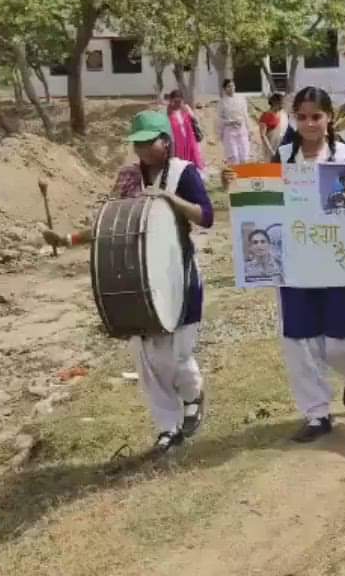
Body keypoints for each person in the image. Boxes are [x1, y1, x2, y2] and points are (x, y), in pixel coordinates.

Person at [42, 111, 212, 454]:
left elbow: (206, 216)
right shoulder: (128, 178)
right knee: (148, 359)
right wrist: (68, 238)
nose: (143, 148)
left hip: (178, 274)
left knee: (176, 356)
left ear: (166, 141)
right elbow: (113, 224)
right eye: (138, 142)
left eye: (149, 141)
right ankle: (168, 429)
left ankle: (193, 397)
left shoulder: (183, 173)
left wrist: (170, 200)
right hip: (138, 278)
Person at [274, 86, 345, 442]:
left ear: (329, 117)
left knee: (341, 345)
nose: (309, 123)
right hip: (296, 263)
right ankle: (316, 413)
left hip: (338, 262)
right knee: (299, 341)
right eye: (301, 116)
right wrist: (238, 187)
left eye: (316, 116)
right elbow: (266, 203)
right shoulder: (283, 155)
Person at [165, 89, 205, 171]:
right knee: (181, 165)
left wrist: (190, 114)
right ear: (171, 100)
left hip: (190, 141)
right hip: (177, 145)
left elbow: (195, 121)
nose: (177, 104)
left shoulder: (186, 108)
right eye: (175, 101)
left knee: (194, 161)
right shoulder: (168, 113)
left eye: (179, 101)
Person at [217, 79, 253, 166]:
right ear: (224, 88)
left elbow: (245, 115)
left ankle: (244, 177)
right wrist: (230, 122)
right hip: (229, 132)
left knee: (244, 156)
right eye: (229, 86)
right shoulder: (222, 102)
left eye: (233, 86)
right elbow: (219, 119)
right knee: (234, 157)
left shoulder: (241, 99)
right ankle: (235, 177)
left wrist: (249, 129)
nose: (232, 88)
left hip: (242, 130)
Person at [256, 93, 290, 163]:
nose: (282, 106)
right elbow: (263, 135)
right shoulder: (265, 116)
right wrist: (271, 150)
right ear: (274, 103)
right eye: (281, 103)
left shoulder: (283, 114)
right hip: (271, 148)